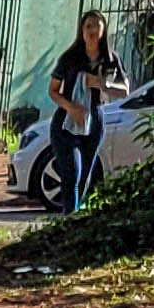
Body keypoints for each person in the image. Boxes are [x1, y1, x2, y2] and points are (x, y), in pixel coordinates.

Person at [49, 12, 116, 212]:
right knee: (72, 175)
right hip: (66, 122)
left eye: (96, 26)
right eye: (88, 26)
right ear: (81, 30)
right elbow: (53, 91)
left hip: (94, 120)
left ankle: (75, 219)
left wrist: (101, 84)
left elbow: (124, 90)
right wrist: (71, 108)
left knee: (85, 177)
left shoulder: (109, 59)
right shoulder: (70, 58)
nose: (92, 30)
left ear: (103, 30)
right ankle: (69, 218)